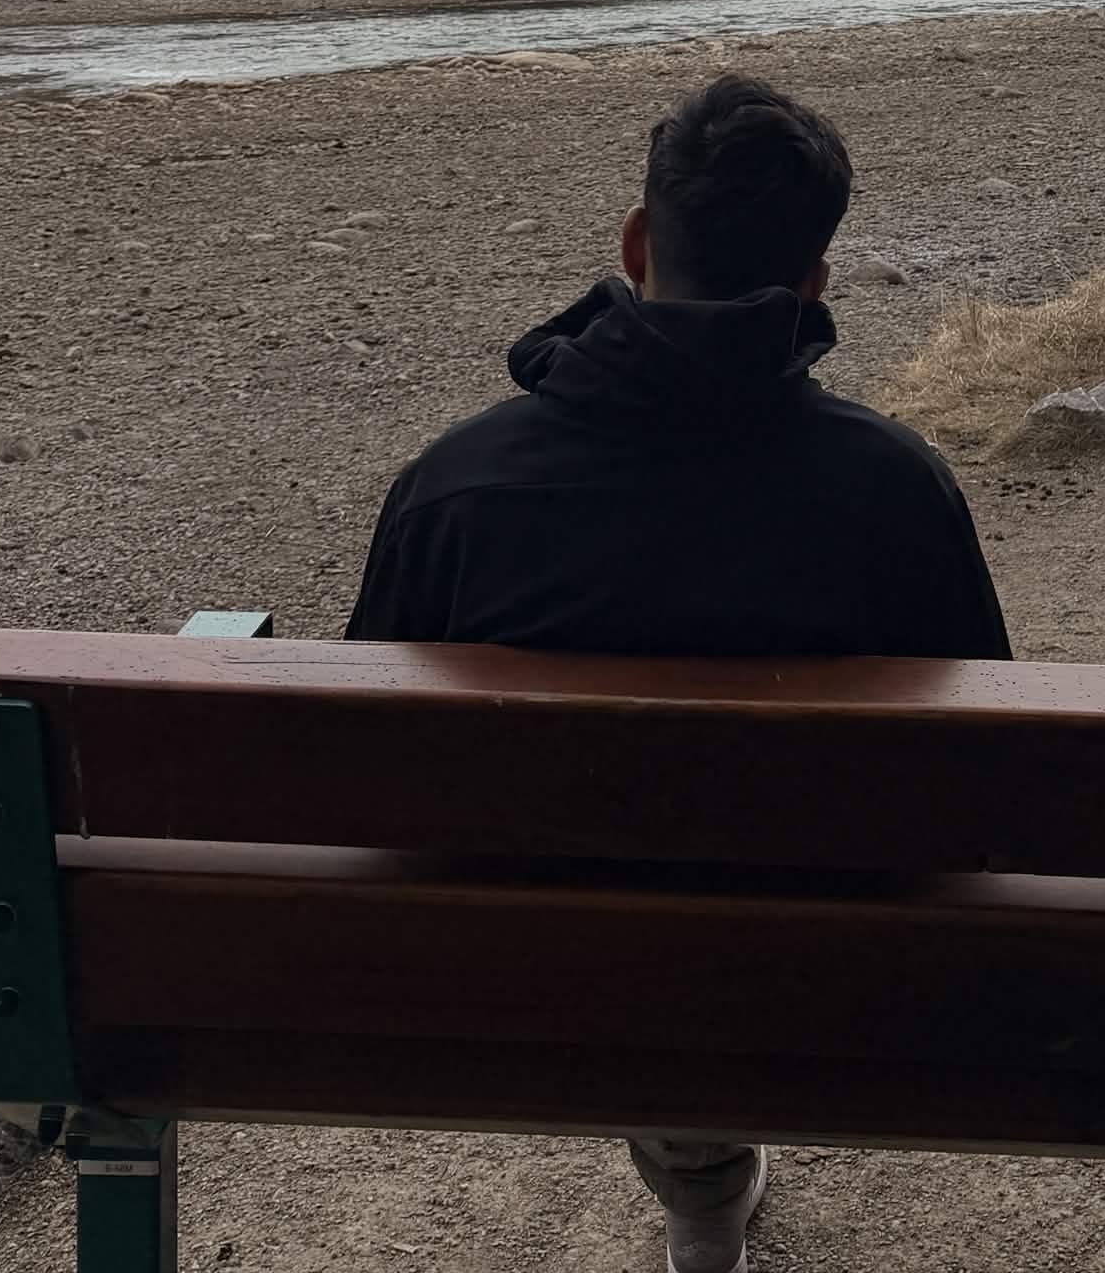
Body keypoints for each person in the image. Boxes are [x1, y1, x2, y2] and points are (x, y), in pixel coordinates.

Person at [348, 71, 1011, 1273]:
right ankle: (705, 1184)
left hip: (505, 986)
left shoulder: (454, 490)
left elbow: (360, 773)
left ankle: (701, 1184)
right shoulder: (894, 492)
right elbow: (985, 781)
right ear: (812, 281)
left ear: (639, 243)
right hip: (844, 990)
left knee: (629, 912)